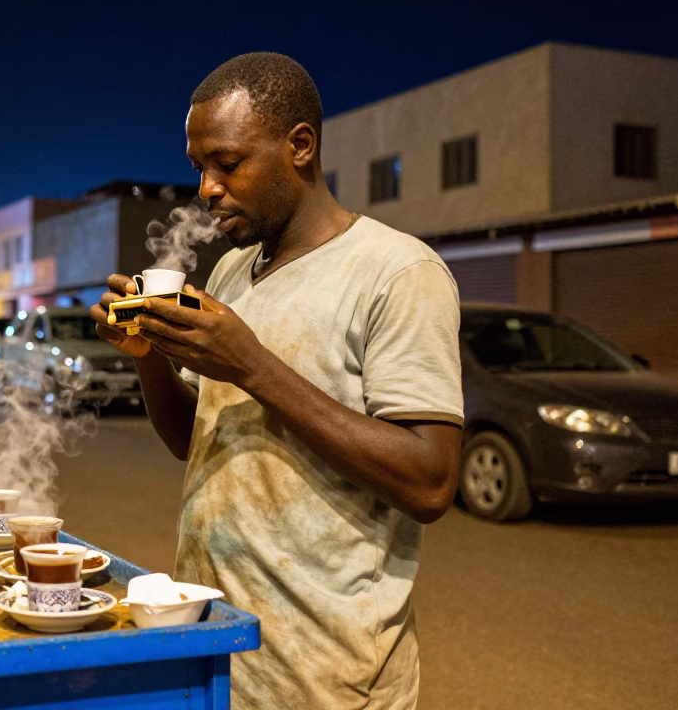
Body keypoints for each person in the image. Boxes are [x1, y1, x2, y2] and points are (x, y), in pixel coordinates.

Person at [90, 53, 463, 709]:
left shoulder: (397, 272)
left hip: (325, 680)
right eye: (198, 168)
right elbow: (191, 440)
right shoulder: (233, 272)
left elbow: (431, 482)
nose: (205, 189)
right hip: (216, 649)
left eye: (227, 164)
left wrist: (252, 365)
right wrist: (148, 353)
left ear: (299, 146)